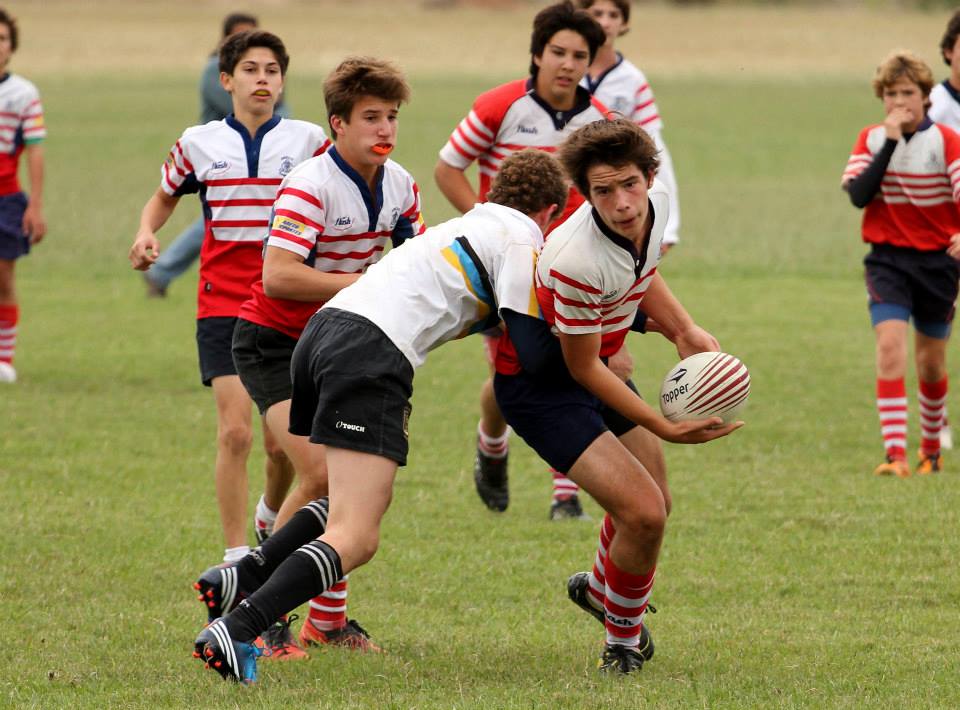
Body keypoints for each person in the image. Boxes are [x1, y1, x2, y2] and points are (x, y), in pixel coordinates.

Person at [191, 149, 570, 684]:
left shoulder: (470, 224)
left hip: (323, 331)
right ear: (551, 212)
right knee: (358, 533)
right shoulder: (522, 239)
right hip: (371, 352)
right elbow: (529, 349)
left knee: (339, 496)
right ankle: (241, 627)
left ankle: (241, 576)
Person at [491, 118, 739, 673]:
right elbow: (581, 369)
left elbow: (641, 268)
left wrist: (683, 329)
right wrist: (661, 424)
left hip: (592, 362)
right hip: (543, 387)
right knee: (644, 513)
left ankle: (604, 591)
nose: (622, 203)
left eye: (630, 184)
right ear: (585, 192)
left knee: (654, 507)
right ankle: (622, 643)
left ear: (650, 176)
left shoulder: (658, 205)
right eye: (603, 191)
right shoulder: (574, 259)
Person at [223, 56, 423, 652]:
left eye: (390, 117)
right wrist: (365, 285)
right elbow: (279, 276)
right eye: (370, 118)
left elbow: (414, 264)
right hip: (273, 341)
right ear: (336, 123)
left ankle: (326, 622)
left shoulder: (402, 185)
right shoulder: (311, 184)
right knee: (318, 474)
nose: (384, 130)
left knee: (341, 485)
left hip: (341, 345)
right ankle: (261, 617)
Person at [128, 31, 330, 564]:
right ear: (226, 80)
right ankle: (238, 552)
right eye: (249, 69)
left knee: (277, 445)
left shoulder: (310, 141)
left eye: (271, 70)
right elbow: (164, 196)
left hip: (288, 303)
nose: (261, 78)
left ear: (283, 81)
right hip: (222, 301)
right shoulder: (198, 142)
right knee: (236, 432)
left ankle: (270, 511)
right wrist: (147, 233)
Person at [434, 0, 612, 520]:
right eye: (557, 51)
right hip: (505, 267)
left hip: (572, 267)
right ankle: (493, 445)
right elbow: (448, 169)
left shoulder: (597, 121)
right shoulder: (499, 105)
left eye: (579, 55)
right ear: (537, 54)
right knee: (512, 372)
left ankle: (565, 493)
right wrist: (493, 229)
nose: (567, 63)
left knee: (574, 365)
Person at [842, 50, 960, 478]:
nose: (899, 102)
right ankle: (895, 455)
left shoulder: (947, 141)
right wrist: (890, 141)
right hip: (888, 262)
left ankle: (930, 450)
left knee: (931, 362)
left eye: (908, 93)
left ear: (926, 96)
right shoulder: (872, 139)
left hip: (939, 264)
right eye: (891, 94)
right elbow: (859, 196)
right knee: (890, 348)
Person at [142, 12, 291, 298]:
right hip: (221, 160)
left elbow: (279, 109)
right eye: (237, 35)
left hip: (260, 154)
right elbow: (238, 107)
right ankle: (162, 272)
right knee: (215, 226)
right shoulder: (215, 71)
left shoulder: (264, 70)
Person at [576, 0, 680, 253]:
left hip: (611, 191)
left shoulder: (632, 80)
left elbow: (653, 147)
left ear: (624, 23)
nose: (605, 22)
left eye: (613, 15)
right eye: (597, 13)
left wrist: (668, 228)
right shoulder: (567, 70)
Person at [0, 8, 46, 384]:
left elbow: (35, 150)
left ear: (11, 46)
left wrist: (35, 204)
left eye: (2, 39)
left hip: (6, 198)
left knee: (4, 275)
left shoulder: (23, 93)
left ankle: (5, 357)